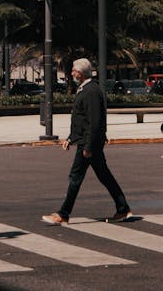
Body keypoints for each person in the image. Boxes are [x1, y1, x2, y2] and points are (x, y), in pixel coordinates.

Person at [42, 58, 132, 226]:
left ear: (81, 73)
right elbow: (82, 120)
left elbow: (94, 121)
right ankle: (123, 208)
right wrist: (70, 138)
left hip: (88, 144)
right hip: (88, 141)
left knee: (75, 177)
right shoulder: (87, 89)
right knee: (104, 176)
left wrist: (88, 146)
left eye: (74, 70)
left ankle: (63, 213)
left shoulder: (90, 91)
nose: (72, 73)